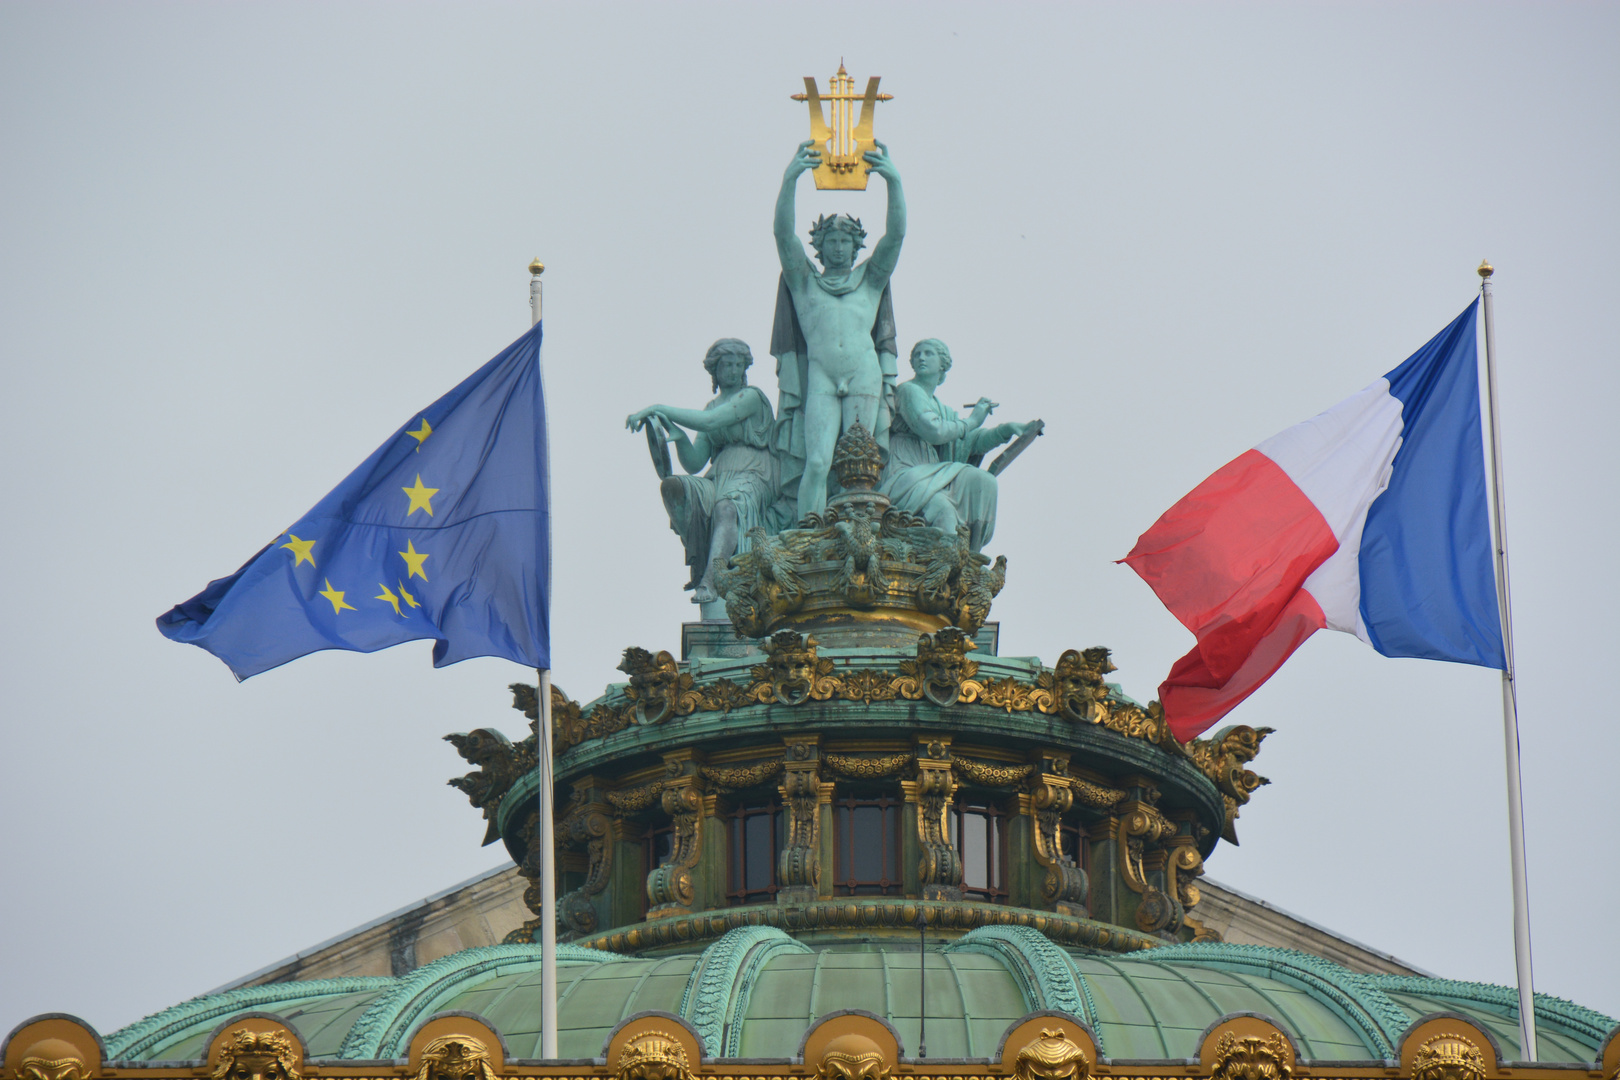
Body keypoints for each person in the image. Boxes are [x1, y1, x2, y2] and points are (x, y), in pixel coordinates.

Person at [772, 138, 905, 521]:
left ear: (857, 245)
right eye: (832, 240)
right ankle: (808, 536)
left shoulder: (870, 280)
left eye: (847, 241)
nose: (839, 248)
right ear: (820, 245)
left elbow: (895, 237)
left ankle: (867, 534)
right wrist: (790, 179)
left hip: (863, 372)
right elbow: (783, 236)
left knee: (863, 466)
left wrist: (893, 182)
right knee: (817, 462)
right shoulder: (805, 283)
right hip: (823, 377)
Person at [626, 339, 782, 604]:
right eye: (727, 365)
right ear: (715, 370)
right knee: (675, 487)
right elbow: (695, 462)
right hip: (719, 475)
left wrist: (659, 408)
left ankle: (710, 581)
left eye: (738, 365)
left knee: (726, 508)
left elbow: (711, 422)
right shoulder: (711, 406)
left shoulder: (751, 397)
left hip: (754, 471)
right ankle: (701, 554)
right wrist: (681, 438)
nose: (733, 370)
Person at [880, 339, 1032, 552]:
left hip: (930, 469)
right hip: (905, 468)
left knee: (984, 480)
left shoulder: (941, 408)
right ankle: (947, 566)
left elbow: (968, 441)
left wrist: (1004, 430)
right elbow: (934, 431)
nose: (921, 358)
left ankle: (968, 560)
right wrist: (972, 420)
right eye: (917, 355)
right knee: (944, 511)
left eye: (928, 353)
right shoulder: (908, 391)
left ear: (943, 364)